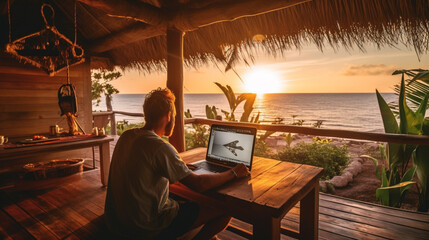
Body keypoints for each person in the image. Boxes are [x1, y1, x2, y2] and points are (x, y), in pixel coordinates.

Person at [104, 88, 250, 240]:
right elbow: (199, 184)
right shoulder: (159, 146)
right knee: (226, 208)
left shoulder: (127, 135)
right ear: (168, 115)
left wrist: (179, 167)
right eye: (173, 114)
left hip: (116, 222)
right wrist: (234, 172)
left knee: (183, 199)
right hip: (145, 227)